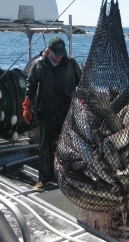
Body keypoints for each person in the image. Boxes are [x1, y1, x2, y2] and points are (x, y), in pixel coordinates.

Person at [22, 36, 82, 191]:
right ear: (48, 50)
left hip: (66, 112)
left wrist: (82, 99)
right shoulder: (39, 65)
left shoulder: (71, 63)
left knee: (68, 145)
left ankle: (68, 176)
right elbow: (31, 84)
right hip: (46, 112)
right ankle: (44, 179)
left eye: (61, 52)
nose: (59, 56)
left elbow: (82, 82)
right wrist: (27, 105)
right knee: (46, 147)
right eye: (56, 53)